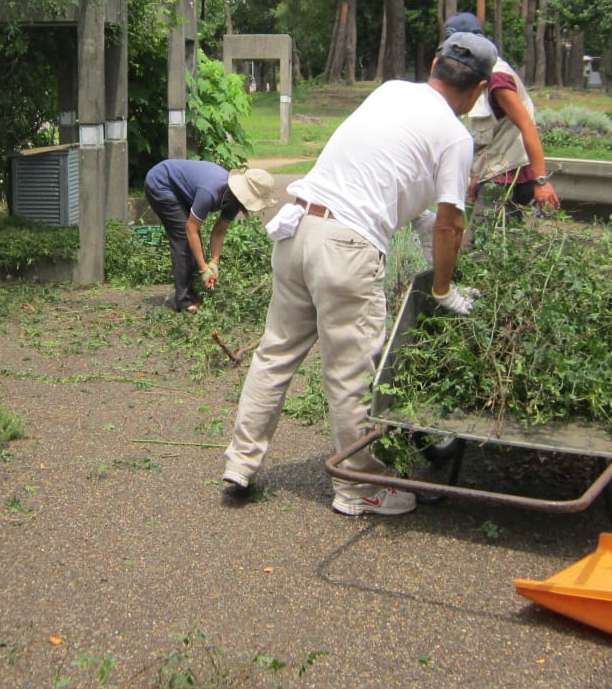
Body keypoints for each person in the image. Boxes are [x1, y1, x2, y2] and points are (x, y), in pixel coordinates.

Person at [222, 31, 495, 516]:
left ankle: (240, 464)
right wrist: (444, 287)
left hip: (298, 227)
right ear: (479, 90)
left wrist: (436, 230)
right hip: (347, 249)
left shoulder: (390, 91)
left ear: (433, 64)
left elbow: (393, 184)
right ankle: (358, 487)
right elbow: (450, 224)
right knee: (350, 374)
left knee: (275, 355)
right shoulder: (456, 137)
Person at [442, 12, 560, 216]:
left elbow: (527, 125)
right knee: (500, 241)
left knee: (482, 242)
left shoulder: (497, 78)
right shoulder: (479, 73)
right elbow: (488, 137)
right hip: (494, 173)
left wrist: (541, 180)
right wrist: (476, 177)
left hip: (508, 176)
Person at [143, 160, 279, 313]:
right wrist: (203, 269)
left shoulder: (234, 202)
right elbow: (191, 230)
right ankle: (184, 300)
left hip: (182, 191)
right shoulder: (210, 192)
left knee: (192, 241)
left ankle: (192, 290)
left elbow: (219, 231)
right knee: (183, 237)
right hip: (161, 183)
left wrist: (214, 262)